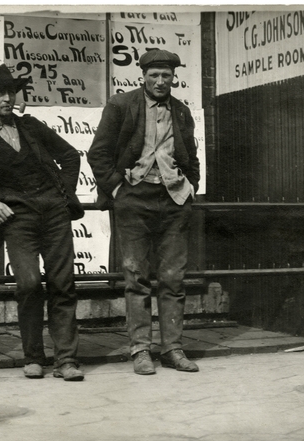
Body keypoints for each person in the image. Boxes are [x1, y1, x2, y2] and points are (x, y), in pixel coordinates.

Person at [0, 64, 85, 381]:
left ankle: (66, 359)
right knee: (27, 283)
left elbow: (70, 156)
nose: (7, 98)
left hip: (54, 213)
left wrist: (63, 196)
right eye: (0, 93)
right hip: (17, 217)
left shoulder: (32, 127)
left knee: (63, 284)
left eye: (11, 92)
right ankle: (34, 356)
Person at [87, 49, 201, 375]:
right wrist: (118, 189)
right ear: (144, 76)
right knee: (136, 278)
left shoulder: (181, 112)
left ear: (174, 77)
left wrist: (189, 186)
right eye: (154, 76)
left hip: (174, 201)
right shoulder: (122, 106)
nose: (161, 81)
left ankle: (173, 349)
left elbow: (191, 158)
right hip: (134, 200)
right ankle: (140, 350)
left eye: (166, 76)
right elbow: (99, 153)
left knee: (172, 279)